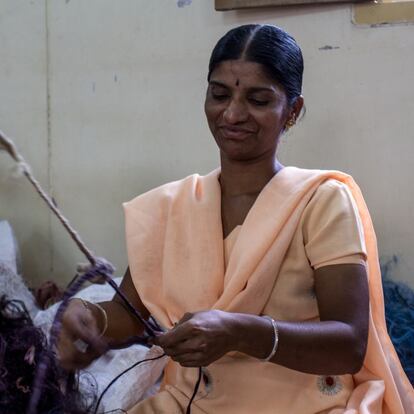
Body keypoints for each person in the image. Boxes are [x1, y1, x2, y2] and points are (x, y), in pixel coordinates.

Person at [58, 24, 413, 413]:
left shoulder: (322, 203)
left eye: (258, 100)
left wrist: (241, 333)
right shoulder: (173, 207)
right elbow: (126, 314)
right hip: (192, 402)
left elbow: (348, 345)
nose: (232, 113)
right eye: (219, 94)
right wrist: (86, 317)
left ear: (292, 112)